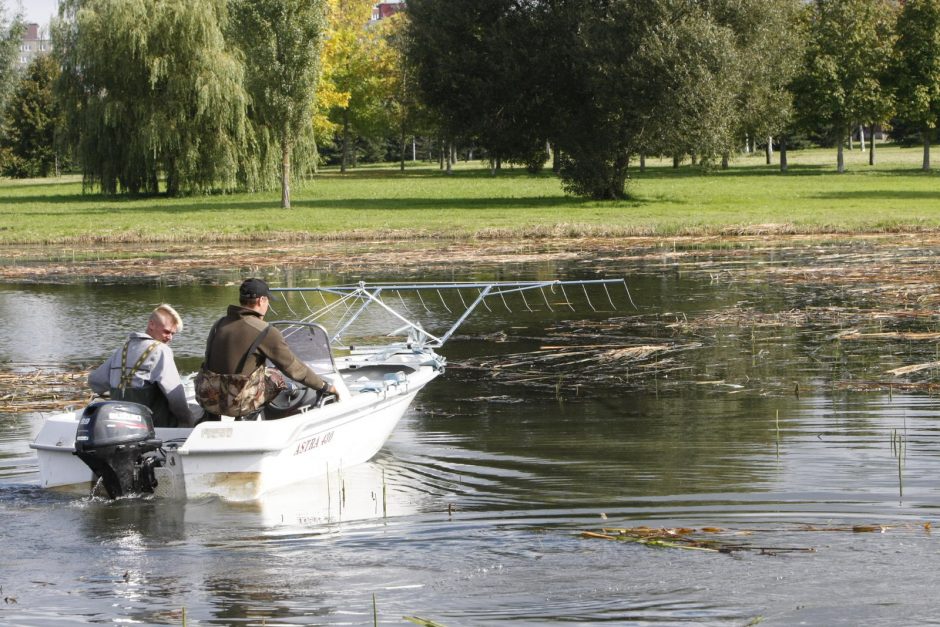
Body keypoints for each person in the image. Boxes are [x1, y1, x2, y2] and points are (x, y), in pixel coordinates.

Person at [198, 278, 338, 418]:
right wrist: (324, 386)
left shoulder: (219, 324)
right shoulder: (265, 330)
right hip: (237, 404)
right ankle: (248, 420)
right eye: (268, 301)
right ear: (261, 300)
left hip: (208, 399)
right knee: (276, 377)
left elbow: (210, 362)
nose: (268, 305)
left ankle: (210, 419)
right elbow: (294, 369)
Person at [88, 304, 192, 428]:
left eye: (173, 334)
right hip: (154, 426)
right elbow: (176, 399)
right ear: (152, 324)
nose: (170, 338)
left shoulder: (122, 350)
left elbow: (95, 383)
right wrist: (187, 420)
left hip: (121, 425)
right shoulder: (161, 350)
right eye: (167, 332)